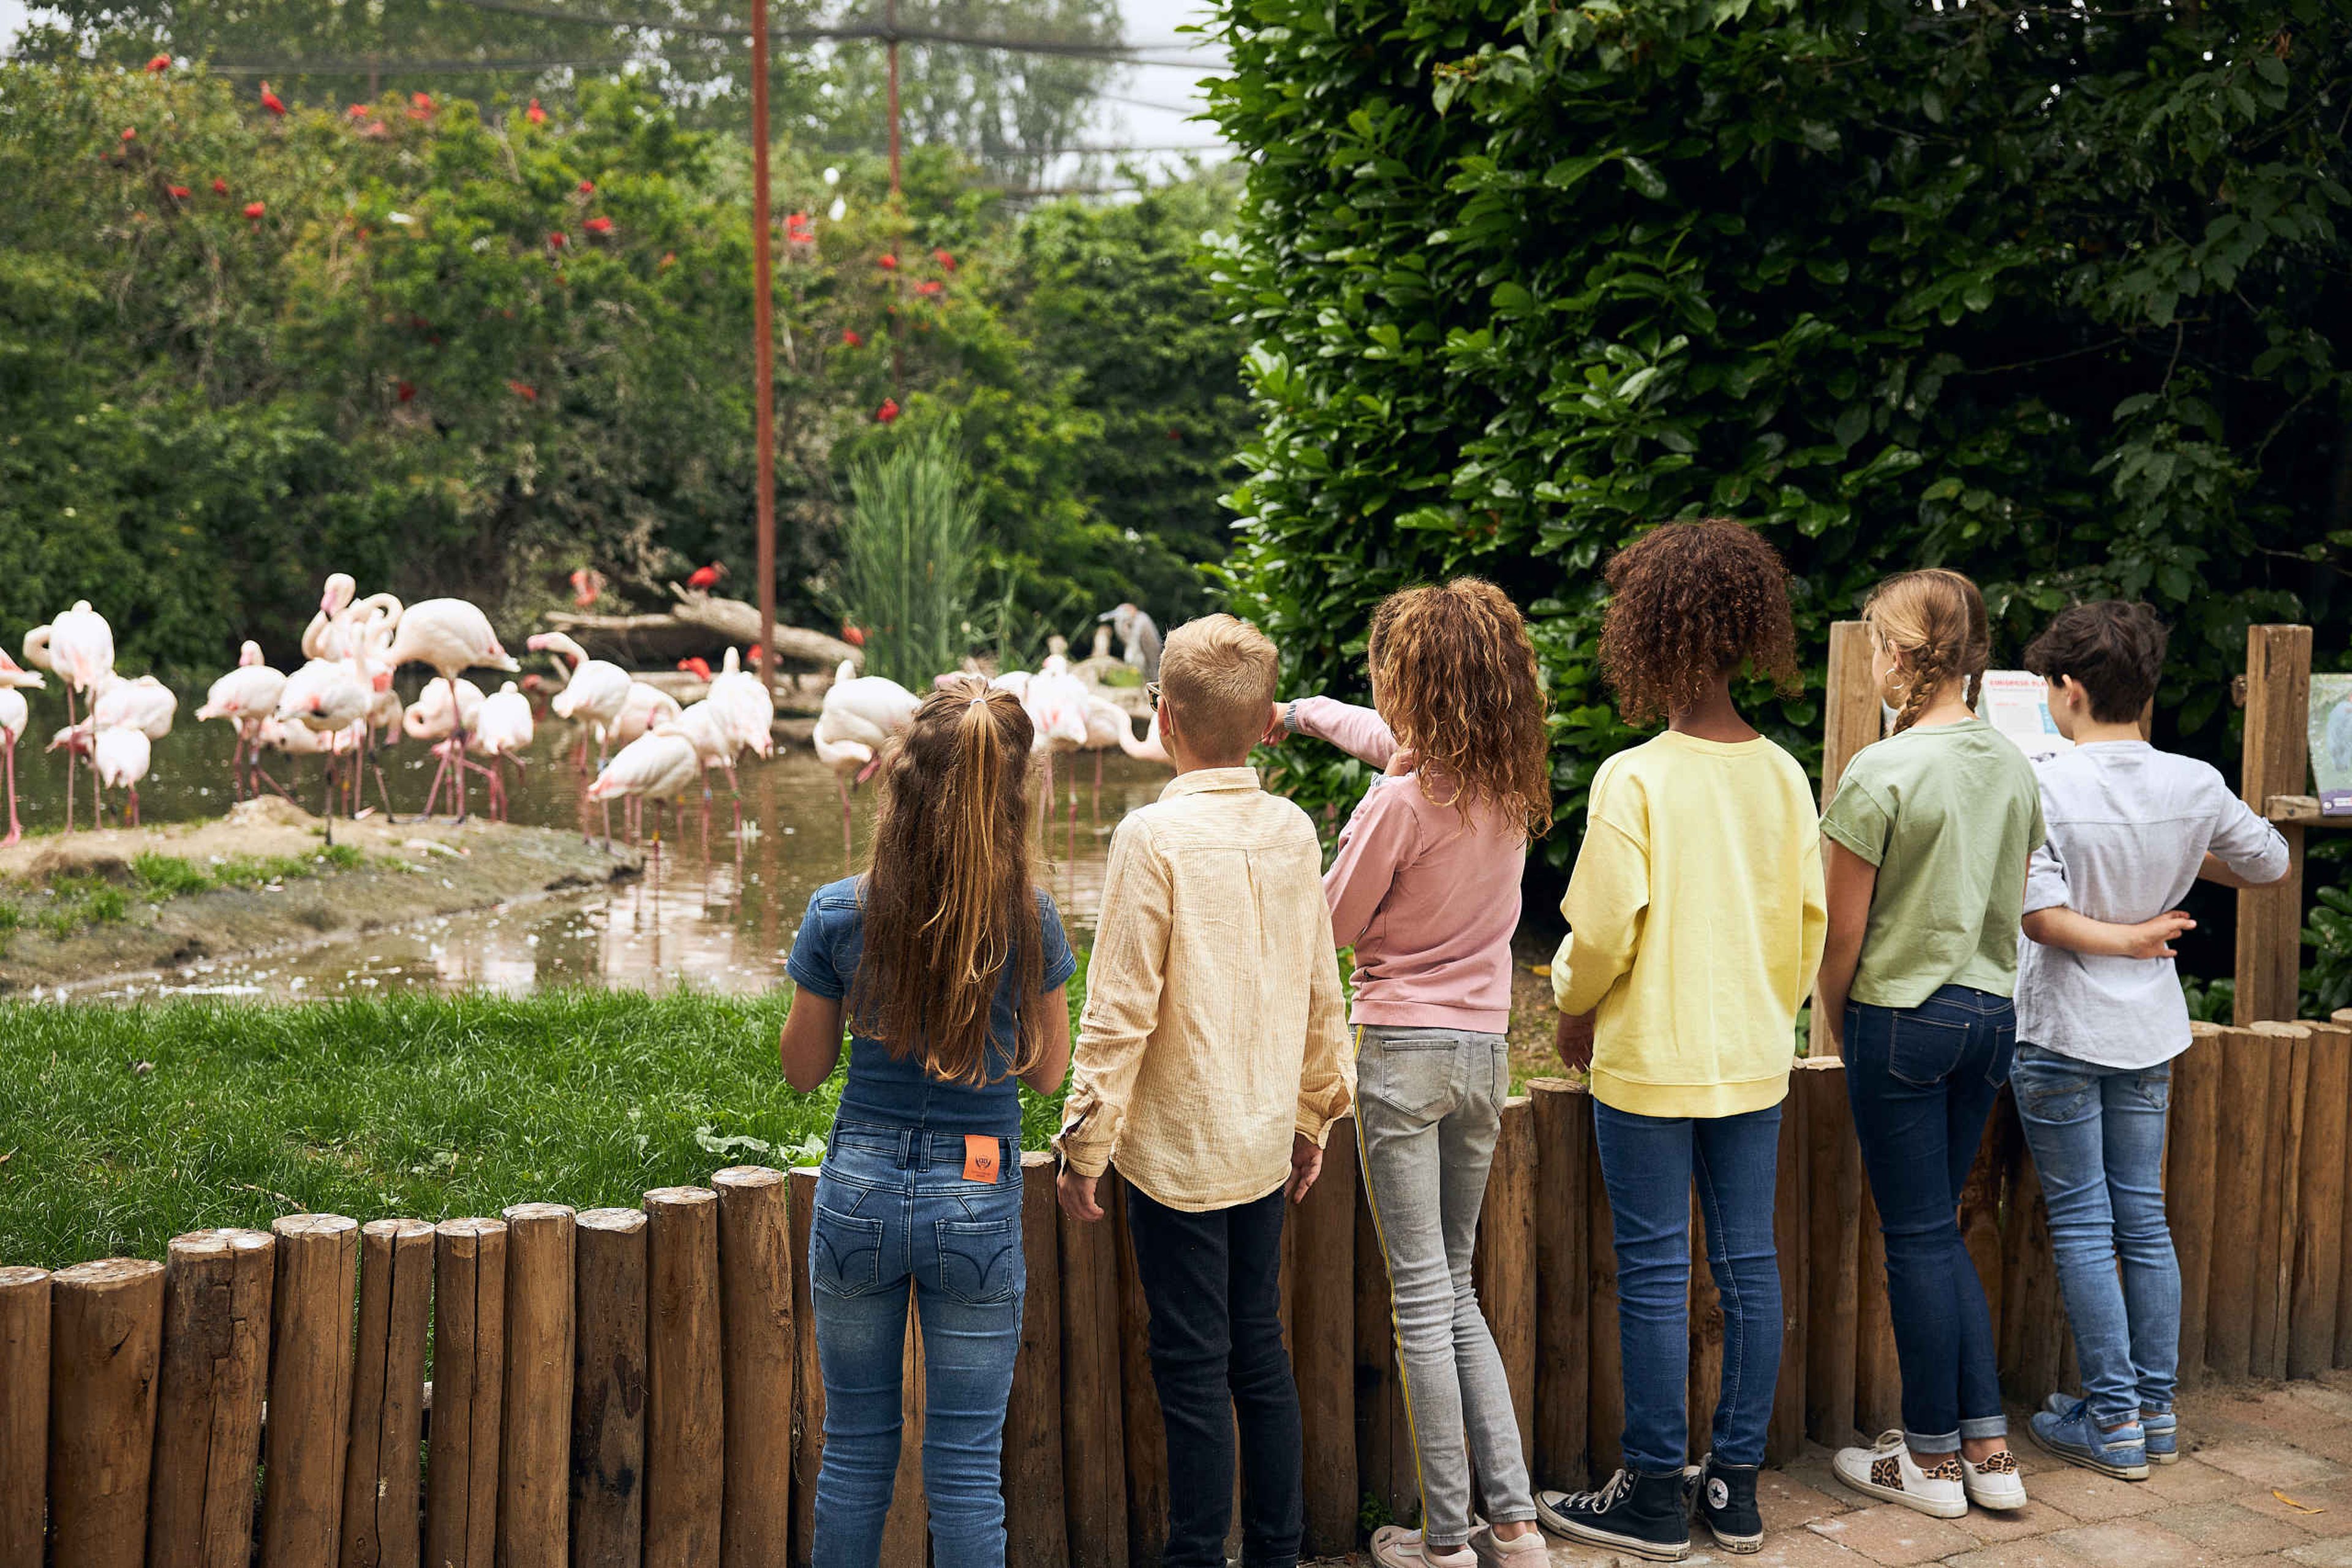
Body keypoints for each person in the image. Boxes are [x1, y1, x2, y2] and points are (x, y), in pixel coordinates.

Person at [1539, 520, 1827, 1559]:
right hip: (1753, 1054)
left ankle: (1654, 1492)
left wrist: (1572, 1005)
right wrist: (1767, 1015)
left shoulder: (1634, 777)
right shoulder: (1787, 777)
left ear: (1645, 635)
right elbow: (1807, 929)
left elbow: (1603, 933)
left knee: (1658, 1274)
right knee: (1752, 1267)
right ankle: (1735, 1490)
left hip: (1648, 1060)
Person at [1056, 613, 1354, 1568]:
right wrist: (1316, 1113)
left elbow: (1118, 1010)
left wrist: (1084, 1143)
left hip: (1178, 1152)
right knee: (1259, 1354)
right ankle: (1276, 1552)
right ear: (1271, 722)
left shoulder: (1150, 838)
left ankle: (1194, 1554)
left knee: (1189, 1370)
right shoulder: (1295, 828)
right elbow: (1321, 989)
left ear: (1166, 717)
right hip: (1264, 1141)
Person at [1276, 578, 1553, 1567]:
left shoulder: (1397, 805)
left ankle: (1444, 1541)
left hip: (1401, 1059)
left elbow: (1330, 925)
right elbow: (1374, 738)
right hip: (1484, 1058)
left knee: (1419, 1304)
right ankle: (1514, 1526)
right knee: (1458, 1289)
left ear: (1414, 688)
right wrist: (1296, 715)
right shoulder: (1510, 788)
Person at [777, 679, 1077, 1568]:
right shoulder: (1030, 917)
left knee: (857, 1449)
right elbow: (1052, 1072)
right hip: (980, 1185)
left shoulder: (838, 910)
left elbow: (802, 1070)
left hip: (860, 1184)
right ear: (1015, 794)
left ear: (901, 782)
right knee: (964, 1465)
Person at [2011, 602, 2289, 1477]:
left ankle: (2115, 1422)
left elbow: (2040, 916)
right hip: (2149, 1032)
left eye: (2049, 686)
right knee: (2143, 1217)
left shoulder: (2042, 777)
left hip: (2059, 1028)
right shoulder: (2194, 784)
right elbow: (2270, 863)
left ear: (2072, 688)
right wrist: (2182, 848)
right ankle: (2153, 1414)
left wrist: (2124, 934)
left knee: (2088, 1225)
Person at [1815, 568, 2041, 1520]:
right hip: (1992, 1019)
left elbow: (1843, 930)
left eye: (1876, 645)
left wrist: (1833, 1020)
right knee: (1940, 1230)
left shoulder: (1882, 769)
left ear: (1902, 659)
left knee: (1916, 1238)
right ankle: (1987, 1450)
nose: (1873, 661)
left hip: (1902, 1020)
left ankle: (1934, 1461)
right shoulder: (2016, 764)